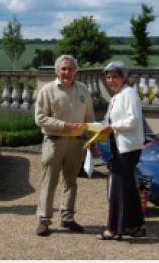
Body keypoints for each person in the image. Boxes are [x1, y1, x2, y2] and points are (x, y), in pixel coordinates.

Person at [34, 54, 95, 236]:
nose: (67, 72)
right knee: (49, 182)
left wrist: (92, 141)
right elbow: (40, 119)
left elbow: (89, 118)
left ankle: (67, 218)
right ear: (57, 71)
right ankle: (44, 220)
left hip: (77, 143)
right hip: (54, 141)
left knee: (71, 182)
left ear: (76, 71)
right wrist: (65, 126)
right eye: (63, 69)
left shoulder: (83, 90)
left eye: (70, 69)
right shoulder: (47, 90)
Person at [97, 61, 145, 240]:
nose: (110, 80)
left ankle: (114, 229)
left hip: (128, 148)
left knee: (118, 187)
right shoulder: (118, 96)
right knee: (128, 187)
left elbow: (133, 120)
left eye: (114, 77)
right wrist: (95, 127)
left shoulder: (129, 93)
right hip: (120, 147)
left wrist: (112, 127)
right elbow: (108, 120)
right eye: (108, 77)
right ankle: (135, 225)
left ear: (123, 77)